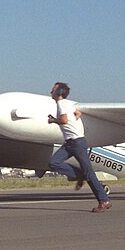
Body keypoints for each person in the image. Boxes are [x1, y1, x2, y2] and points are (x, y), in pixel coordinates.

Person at [46, 82, 111, 212]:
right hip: (70, 143)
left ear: (59, 93)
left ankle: (103, 201)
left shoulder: (60, 104)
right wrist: (72, 123)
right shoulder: (68, 104)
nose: (50, 92)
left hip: (77, 143)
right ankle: (79, 175)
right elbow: (78, 113)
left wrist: (53, 120)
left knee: (89, 173)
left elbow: (64, 120)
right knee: (53, 163)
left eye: (53, 90)